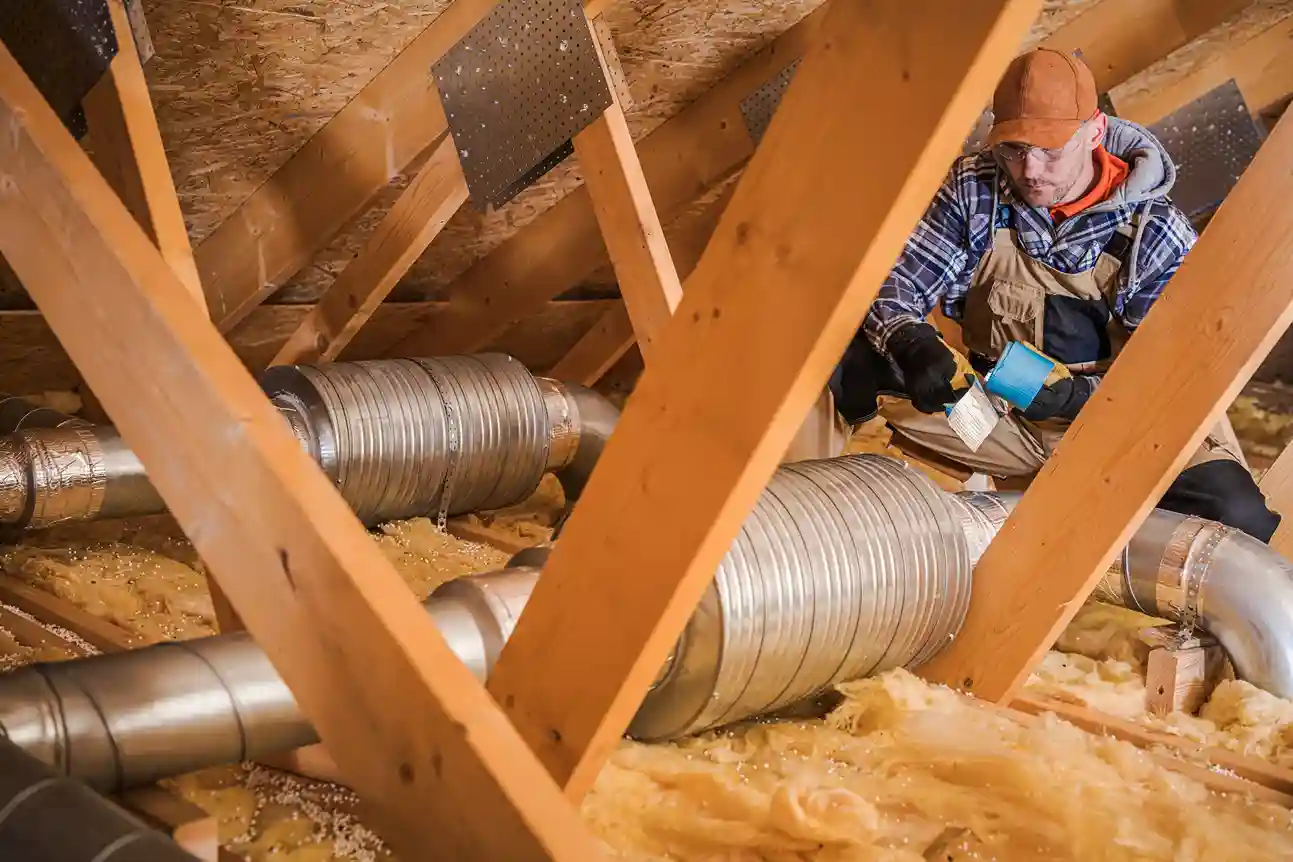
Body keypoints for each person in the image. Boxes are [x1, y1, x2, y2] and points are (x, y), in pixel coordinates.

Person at [828, 47, 1280, 541]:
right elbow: (899, 286)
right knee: (839, 351)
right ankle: (818, 528)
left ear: (1095, 132)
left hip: (1120, 427)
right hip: (992, 417)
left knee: (1237, 519)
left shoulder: (1154, 231)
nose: (1030, 171)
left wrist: (1079, 396)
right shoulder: (975, 189)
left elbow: (1174, 379)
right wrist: (912, 342)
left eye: (1050, 151)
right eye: (1014, 150)